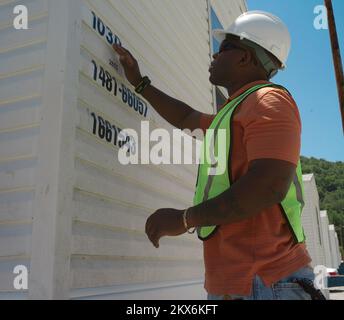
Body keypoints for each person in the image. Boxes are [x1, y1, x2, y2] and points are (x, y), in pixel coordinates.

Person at [113, 11, 322, 300]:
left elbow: (268, 186)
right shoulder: (234, 112)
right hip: (236, 284)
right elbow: (186, 115)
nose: (214, 56)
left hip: (266, 282)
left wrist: (184, 219)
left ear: (245, 58)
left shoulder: (268, 101)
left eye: (223, 48)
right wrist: (140, 83)